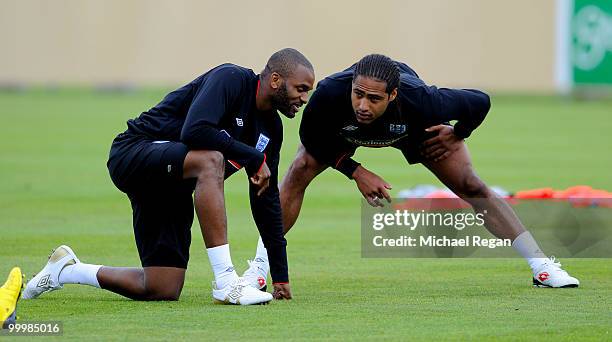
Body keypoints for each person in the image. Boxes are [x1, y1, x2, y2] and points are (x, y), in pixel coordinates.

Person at [243, 54, 579, 289]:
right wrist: (355, 170)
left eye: (373, 98)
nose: (362, 105)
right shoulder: (330, 94)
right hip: (343, 138)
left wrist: (458, 133)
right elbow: (310, 139)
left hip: (413, 133)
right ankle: (260, 266)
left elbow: (480, 101)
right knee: (300, 167)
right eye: (358, 95)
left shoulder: (423, 100)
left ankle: (541, 266)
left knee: (471, 185)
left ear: (393, 95)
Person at [22, 48, 315, 304]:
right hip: (134, 151)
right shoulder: (231, 79)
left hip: (171, 189)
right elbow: (195, 131)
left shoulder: (271, 130)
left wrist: (280, 275)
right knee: (210, 160)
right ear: (275, 80)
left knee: (162, 287)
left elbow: (267, 201)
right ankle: (226, 281)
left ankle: (67, 269)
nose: (303, 99)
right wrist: (252, 156)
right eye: (300, 89)